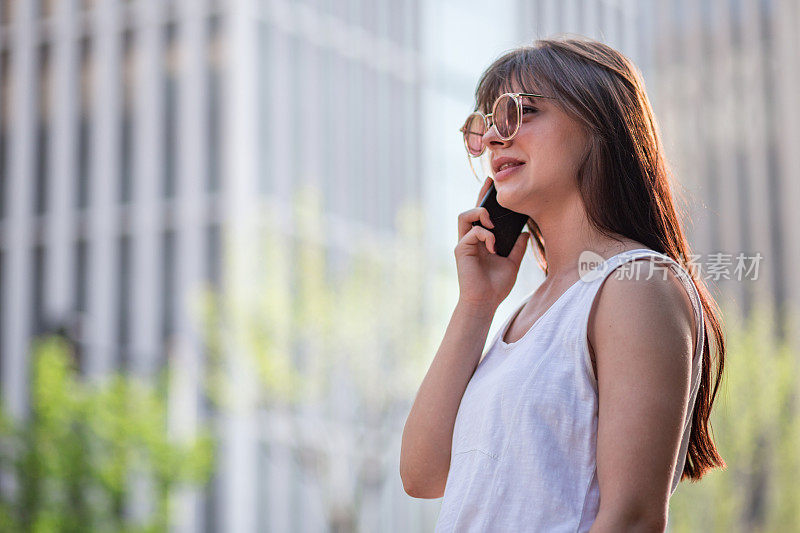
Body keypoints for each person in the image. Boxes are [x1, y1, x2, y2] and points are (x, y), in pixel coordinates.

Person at [399, 36, 727, 532]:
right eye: (485, 125)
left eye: (520, 112)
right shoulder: (524, 312)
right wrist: (476, 304)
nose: (493, 139)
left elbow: (632, 518)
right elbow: (423, 474)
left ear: (601, 123)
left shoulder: (635, 285)